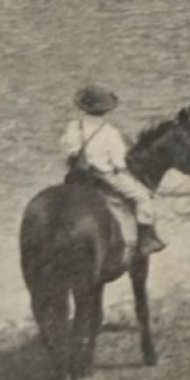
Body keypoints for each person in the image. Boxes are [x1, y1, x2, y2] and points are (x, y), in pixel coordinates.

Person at [62, 85, 165, 255]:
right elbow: (119, 164)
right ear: (106, 110)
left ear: (83, 107)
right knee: (142, 197)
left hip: (78, 176)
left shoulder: (74, 127)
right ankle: (145, 241)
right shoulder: (110, 132)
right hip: (103, 176)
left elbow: (67, 151)